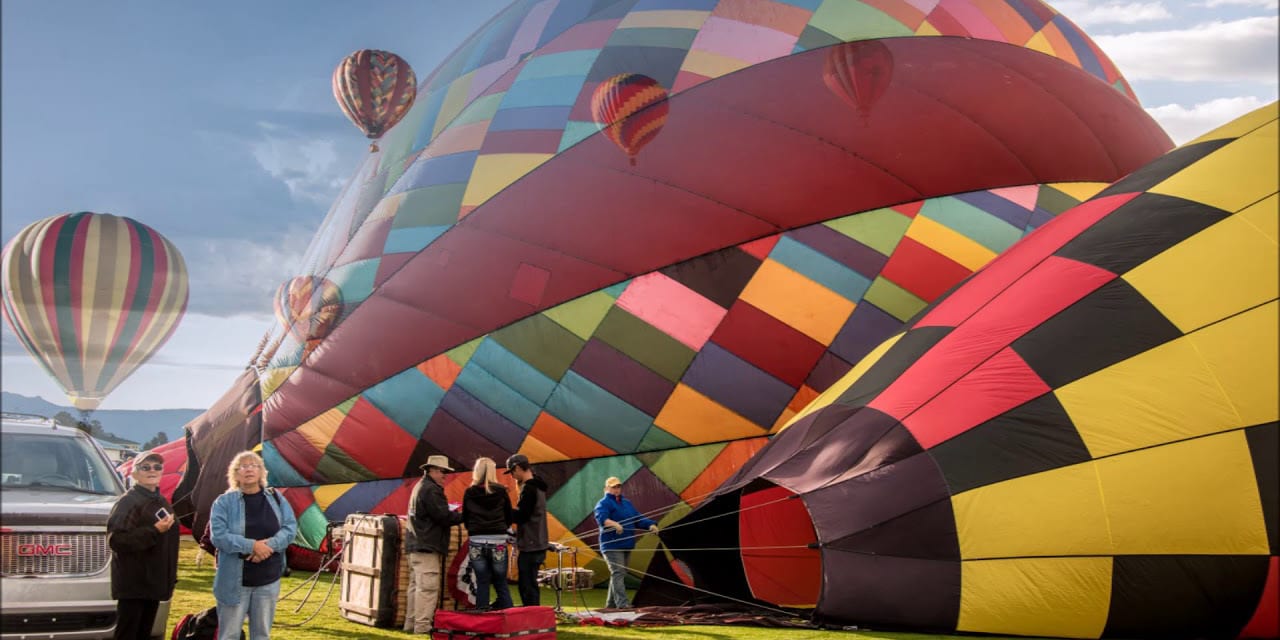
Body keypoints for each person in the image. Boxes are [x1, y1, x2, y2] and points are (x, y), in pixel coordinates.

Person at [209, 451, 298, 640]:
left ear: (261, 472)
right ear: (235, 473)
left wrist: (268, 547)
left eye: (254, 465)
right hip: (234, 581)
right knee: (229, 635)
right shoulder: (224, 502)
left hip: (268, 579)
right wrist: (252, 546)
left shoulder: (276, 498)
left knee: (261, 635)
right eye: (243, 466)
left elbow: (290, 528)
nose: (249, 469)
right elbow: (219, 536)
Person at [106, 450, 180, 640]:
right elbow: (116, 540)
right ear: (134, 473)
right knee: (128, 634)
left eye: (157, 467)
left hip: (154, 583)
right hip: (134, 584)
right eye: (145, 467)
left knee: (145, 634)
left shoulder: (161, 501)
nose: (152, 470)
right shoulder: (128, 502)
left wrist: (169, 578)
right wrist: (153, 531)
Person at [403, 455, 463, 634]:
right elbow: (443, 516)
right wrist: (466, 515)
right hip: (427, 546)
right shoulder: (432, 490)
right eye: (443, 471)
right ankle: (422, 627)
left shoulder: (419, 487)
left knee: (416, 586)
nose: (445, 475)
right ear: (433, 470)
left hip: (415, 545)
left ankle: (410, 623)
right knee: (428, 588)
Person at [593, 476, 658, 609]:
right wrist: (614, 524)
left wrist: (650, 525)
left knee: (619, 573)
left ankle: (610, 605)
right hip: (611, 545)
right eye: (613, 487)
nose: (616, 489)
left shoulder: (626, 503)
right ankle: (622, 604)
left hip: (626, 544)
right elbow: (601, 518)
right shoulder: (603, 503)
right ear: (606, 489)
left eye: (618, 487)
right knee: (618, 572)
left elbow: (637, 518)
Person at [461, 457, 514, 611]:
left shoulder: (470, 492)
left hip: (477, 540)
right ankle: (507, 611)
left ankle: (482, 612)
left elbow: (465, 516)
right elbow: (509, 516)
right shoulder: (501, 491)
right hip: (498, 541)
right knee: (500, 580)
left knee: (482, 580)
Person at [504, 453, 549, 606]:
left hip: (531, 544)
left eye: (511, 471)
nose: (512, 475)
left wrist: (502, 506)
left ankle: (531, 616)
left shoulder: (529, 488)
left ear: (517, 468)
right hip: (538, 541)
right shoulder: (538, 486)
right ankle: (533, 615)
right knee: (530, 583)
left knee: (527, 585)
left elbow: (522, 516)